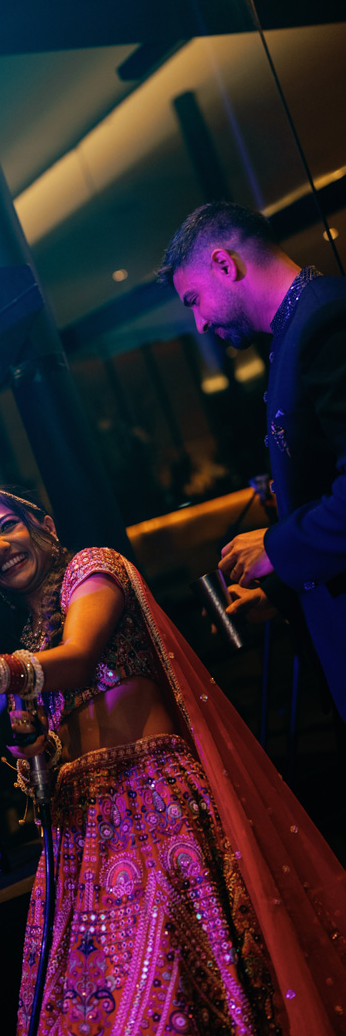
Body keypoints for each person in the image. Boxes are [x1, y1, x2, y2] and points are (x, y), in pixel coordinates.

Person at [0, 486, 346, 1036]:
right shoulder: (29, 641)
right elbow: (54, 756)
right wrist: (38, 754)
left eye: (8, 525)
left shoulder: (93, 570)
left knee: (171, 1002)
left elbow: (80, 659)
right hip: (81, 837)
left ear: (45, 525)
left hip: (152, 808)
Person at [159, 201, 346, 720]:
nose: (198, 323)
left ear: (225, 264)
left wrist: (275, 546)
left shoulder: (325, 320)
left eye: (194, 300)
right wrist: (283, 589)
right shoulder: (296, 329)